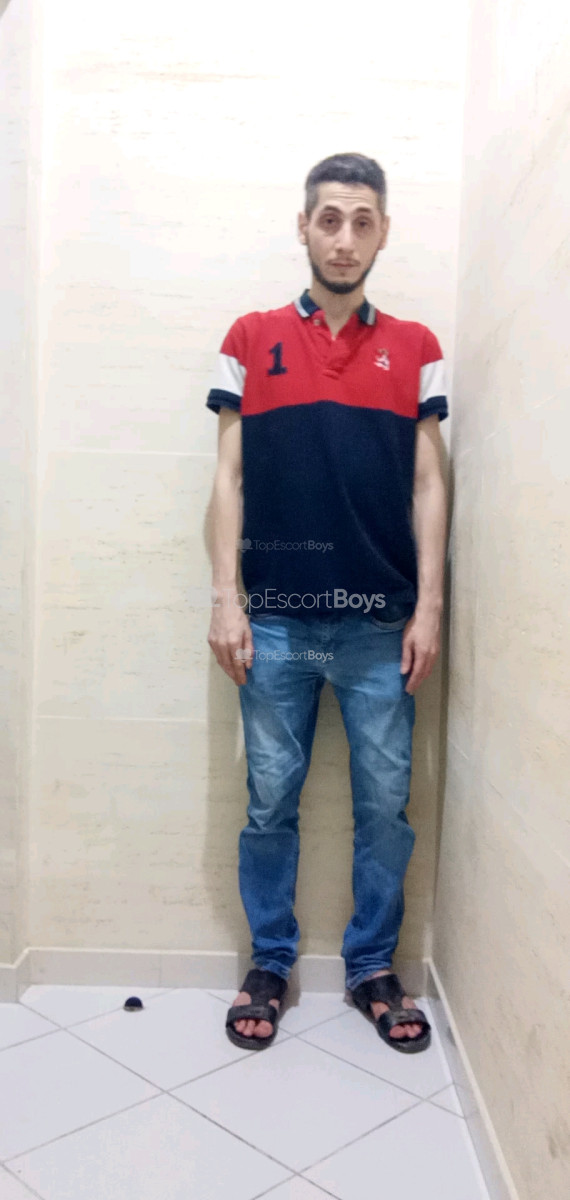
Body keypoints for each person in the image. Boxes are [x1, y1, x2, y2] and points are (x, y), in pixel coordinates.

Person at [205, 152, 448, 1055]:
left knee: (385, 807)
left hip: (381, 624)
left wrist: (430, 607)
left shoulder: (417, 348)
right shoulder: (250, 336)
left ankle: (372, 967)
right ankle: (270, 961)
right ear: (303, 226)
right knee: (270, 802)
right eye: (330, 219)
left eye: (362, 221)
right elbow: (228, 477)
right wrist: (225, 598)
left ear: (383, 233)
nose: (345, 238)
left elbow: (429, 482)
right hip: (274, 620)